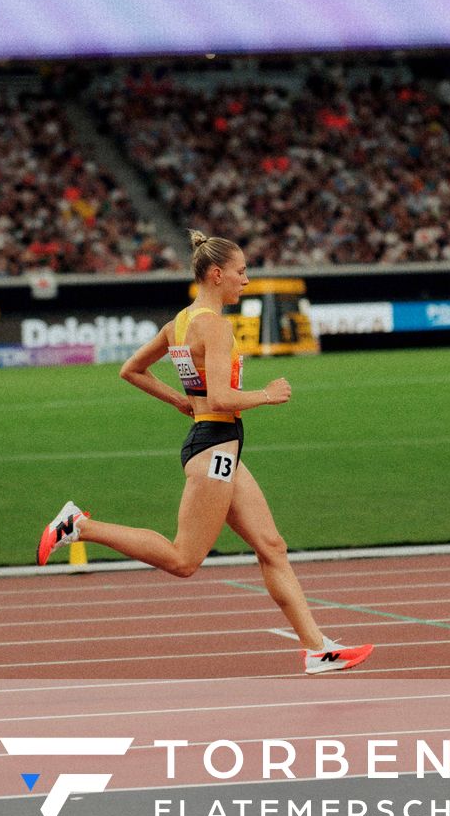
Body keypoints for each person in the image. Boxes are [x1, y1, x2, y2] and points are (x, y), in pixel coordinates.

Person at [37, 230, 373, 675]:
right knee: (183, 560)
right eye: (241, 272)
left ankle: (317, 650)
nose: (246, 281)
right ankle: (79, 525)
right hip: (214, 444)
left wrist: (178, 400)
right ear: (217, 275)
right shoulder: (213, 325)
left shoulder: (179, 322)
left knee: (272, 546)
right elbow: (219, 399)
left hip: (218, 445)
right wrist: (266, 395)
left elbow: (131, 370)